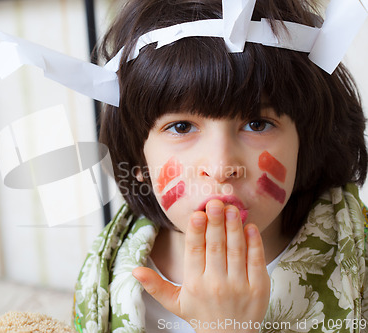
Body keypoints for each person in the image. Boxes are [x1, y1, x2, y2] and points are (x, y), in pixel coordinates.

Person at [73, 0, 368, 332]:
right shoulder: (103, 275)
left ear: (307, 141)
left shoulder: (360, 262)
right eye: (182, 127)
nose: (221, 166)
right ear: (137, 157)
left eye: (257, 124)